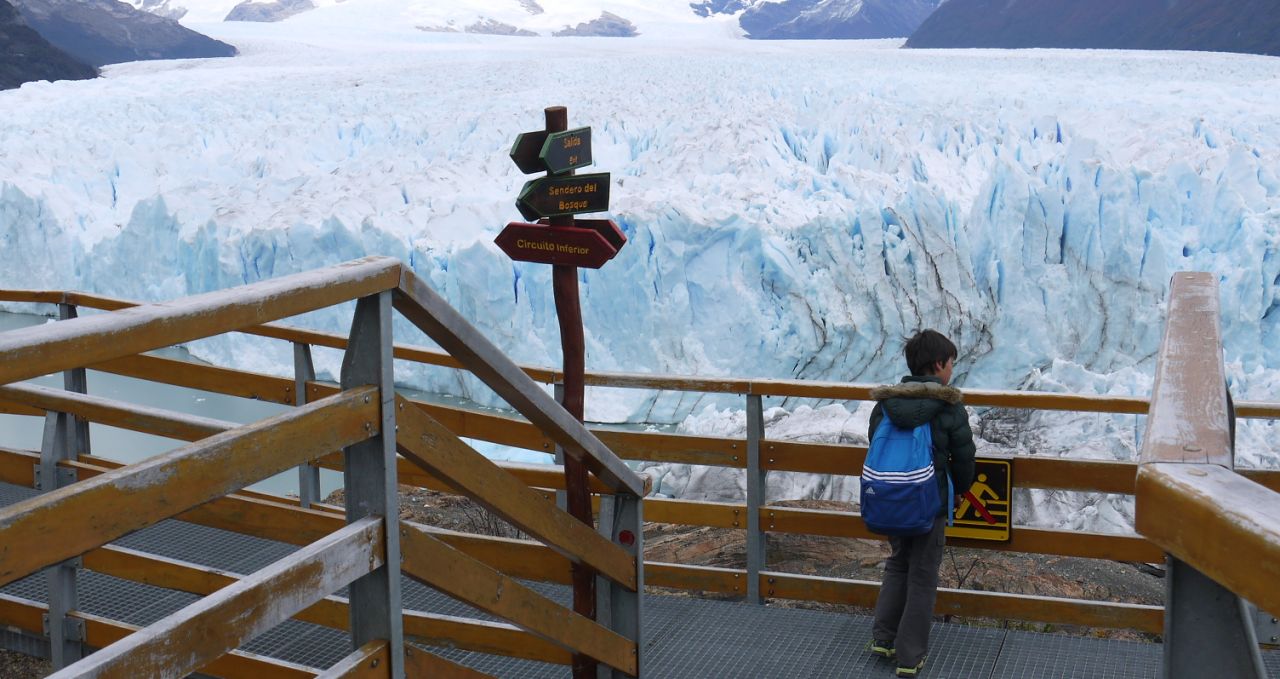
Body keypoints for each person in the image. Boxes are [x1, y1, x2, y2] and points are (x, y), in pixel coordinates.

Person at [866, 329, 976, 677]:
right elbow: (964, 457)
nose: (952, 370)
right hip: (930, 503)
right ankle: (910, 656)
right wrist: (960, 488)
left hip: (893, 498)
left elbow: (875, 442)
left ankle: (883, 639)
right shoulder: (948, 407)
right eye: (951, 363)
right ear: (938, 365)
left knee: (899, 564)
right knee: (924, 575)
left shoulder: (886, 404)